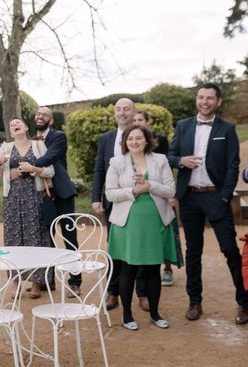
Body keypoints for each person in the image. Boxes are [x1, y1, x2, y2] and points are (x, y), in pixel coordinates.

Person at [167, 83, 248, 325]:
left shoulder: (228, 129)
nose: (204, 102)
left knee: (229, 250)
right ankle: (195, 301)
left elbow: (233, 164)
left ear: (218, 101)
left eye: (210, 98)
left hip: (216, 197)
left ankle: (244, 302)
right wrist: (182, 160)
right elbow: (170, 156)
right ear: (197, 99)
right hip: (189, 198)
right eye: (201, 97)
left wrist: (224, 196)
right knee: (193, 252)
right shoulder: (183, 126)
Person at [105, 125, 178, 330]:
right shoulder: (116, 162)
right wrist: (134, 191)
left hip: (154, 221)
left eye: (139, 138)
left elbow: (171, 190)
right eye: (130, 139)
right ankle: (127, 316)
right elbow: (110, 193)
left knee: (153, 268)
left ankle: (155, 314)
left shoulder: (161, 160)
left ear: (147, 140)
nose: (135, 142)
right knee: (128, 268)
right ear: (125, 142)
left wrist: (150, 187)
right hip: (127, 222)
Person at [0, 118, 54, 298]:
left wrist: (33, 168)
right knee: (13, 240)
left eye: (18, 123)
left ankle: (36, 283)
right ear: (10, 131)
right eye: (11, 125)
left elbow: (50, 171)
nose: (14, 126)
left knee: (35, 238)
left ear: (26, 128)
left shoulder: (38, 146)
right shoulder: (6, 148)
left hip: (34, 197)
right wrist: (5, 170)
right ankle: (16, 283)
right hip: (12, 199)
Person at [32, 107, 81, 296]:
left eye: (44, 115)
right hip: (43, 195)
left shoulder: (58, 136)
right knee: (47, 238)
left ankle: (75, 281)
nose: (40, 117)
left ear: (50, 121)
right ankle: (49, 280)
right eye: (37, 114)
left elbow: (49, 157)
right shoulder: (30, 140)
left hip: (62, 192)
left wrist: (30, 165)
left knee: (70, 237)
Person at [92, 97, 135, 310]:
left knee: (140, 246)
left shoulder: (142, 137)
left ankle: (143, 293)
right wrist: (95, 199)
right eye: (118, 109)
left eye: (126, 109)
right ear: (115, 113)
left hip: (139, 201)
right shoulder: (106, 138)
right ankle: (113, 292)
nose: (122, 112)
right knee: (115, 249)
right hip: (113, 201)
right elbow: (99, 169)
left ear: (133, 112)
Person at [133, 110, 183, 289]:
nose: (137, 122)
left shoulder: (159, 140)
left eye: (140, 119)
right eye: (134, 120)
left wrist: (169, 196)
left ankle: (167, 268)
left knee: (165, 232)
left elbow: (168, 167)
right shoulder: (131, 142)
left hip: (160, 190)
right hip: (140, 197)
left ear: (147, 121)